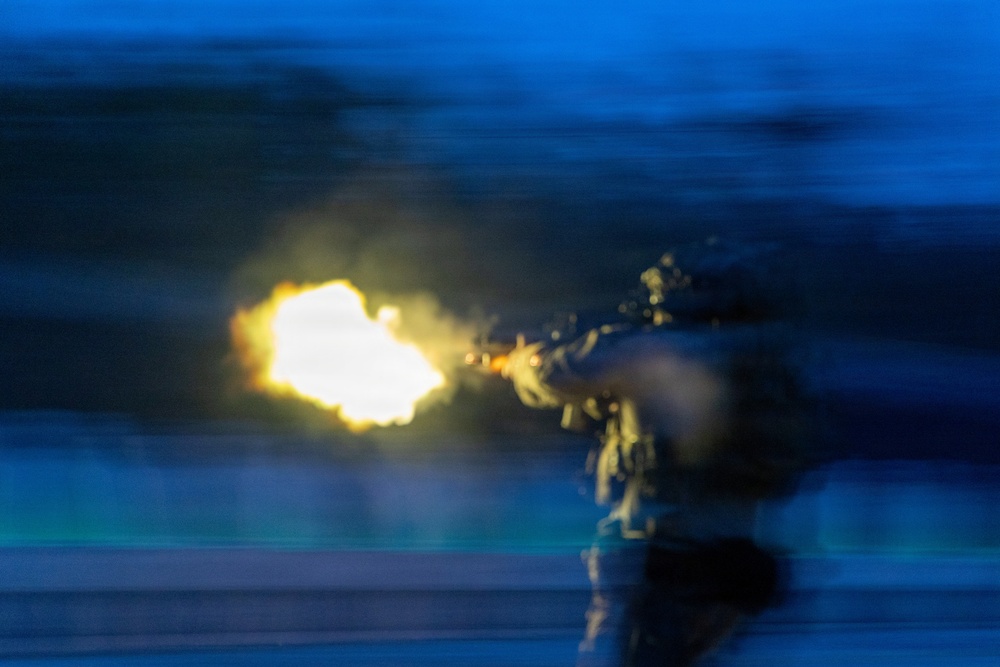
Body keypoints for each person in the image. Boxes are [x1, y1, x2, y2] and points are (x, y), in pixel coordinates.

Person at [502, 240, 811, 666]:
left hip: (657, 552)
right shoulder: (763, 357)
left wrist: (524, 360)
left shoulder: (653, 349)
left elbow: (558, 377)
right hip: (735, 557)